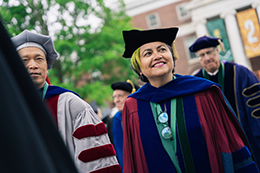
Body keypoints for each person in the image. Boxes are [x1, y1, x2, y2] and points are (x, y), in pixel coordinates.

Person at [121, 27, 259, 173]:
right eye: (148, 53)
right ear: (139, 68)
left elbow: (230, 144)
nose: (157, 56)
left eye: (162, 50)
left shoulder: (204, 92)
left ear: (172, 57)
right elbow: (134, 160)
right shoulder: (133, 106)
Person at [11, 30, 121, 173]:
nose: (33, 65)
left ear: (47, 66)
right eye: (24, 60)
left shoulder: (69, 103)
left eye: (39, 59)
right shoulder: (9, 107)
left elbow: (96, 161)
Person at [189, 36, 260, 166]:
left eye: (209, 52)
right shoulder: (195, 83)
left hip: (246, 138)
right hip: (217, 146)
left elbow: (256, 109)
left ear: (217, 51)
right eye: (202, 55)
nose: (207, 58)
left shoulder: (240, 73)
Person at [108, 80, 140, 170]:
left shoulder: (141, 116)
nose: (116, 100)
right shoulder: (112, 121)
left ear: (131, 96)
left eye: (120, 96)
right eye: (114, 97)